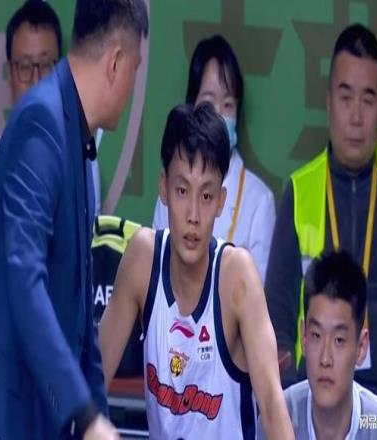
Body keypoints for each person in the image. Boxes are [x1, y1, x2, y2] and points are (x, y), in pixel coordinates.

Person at [0, 0, 148, 438]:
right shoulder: (42, 122)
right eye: (135, 67)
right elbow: (24, 278)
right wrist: (85, 416)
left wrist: (96, 416)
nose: (132, 84)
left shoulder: (75, 135)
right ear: (115, 62)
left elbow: (80, 321)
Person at [265, 23, 377, 439]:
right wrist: (290, 409)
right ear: (328, 102)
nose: (356, 115)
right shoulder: (301, 191)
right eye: (345, 96)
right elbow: (277, 318)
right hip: (316, 403)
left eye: (367, 99)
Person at [100, 102, 294, 439]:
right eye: (181, 191)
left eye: (205, 196)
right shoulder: (142, 259)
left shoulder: (237, 276)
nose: (193, 215)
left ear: (221, 201)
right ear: (163, 188)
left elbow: (273, 407)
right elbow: (92, 378)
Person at [152, 35, 275, 281]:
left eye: (228, 105)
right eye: (209, 103)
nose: (218, 115)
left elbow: (258, 293)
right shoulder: (172, 186)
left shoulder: (260, 201)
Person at [0, 0, 102, 219]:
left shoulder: (82, 162)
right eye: (24, 66)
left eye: (45, 65)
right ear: (10, 74)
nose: (36, 81)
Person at [261, 251, 377, 439]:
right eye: (316, 336)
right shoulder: (276, 420)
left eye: (339, 340)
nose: (325, 359)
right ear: (303, 337)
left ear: (361, 347)